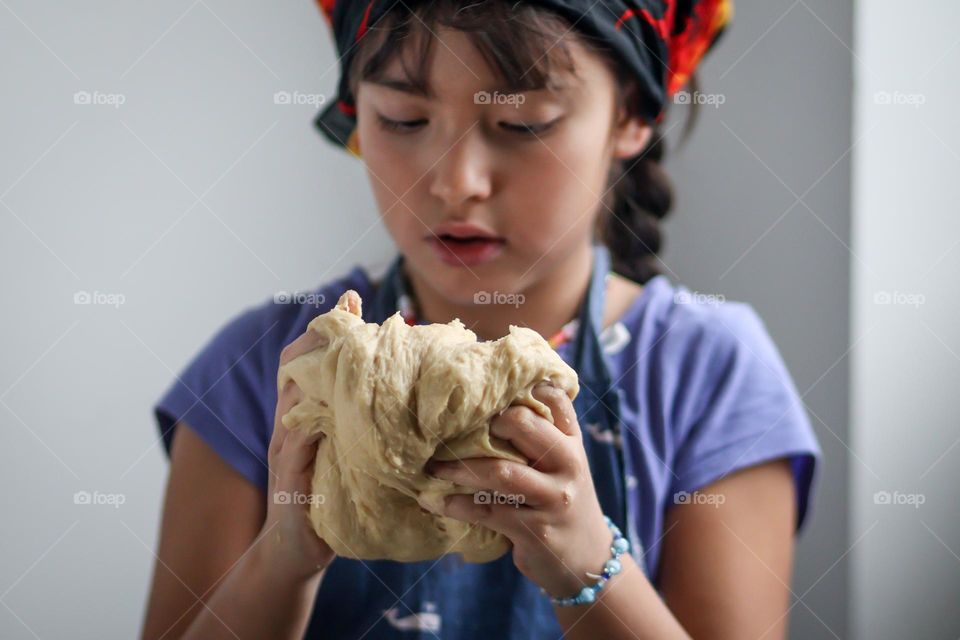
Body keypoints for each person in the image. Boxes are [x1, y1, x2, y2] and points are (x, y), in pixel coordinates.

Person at [141, 1, 821, 638]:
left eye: (524, 125)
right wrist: (280, 559)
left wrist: (587, 565)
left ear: (631, 118)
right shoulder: (263, 367)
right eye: (405, 120)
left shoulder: (712, 373)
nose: (455, 180)